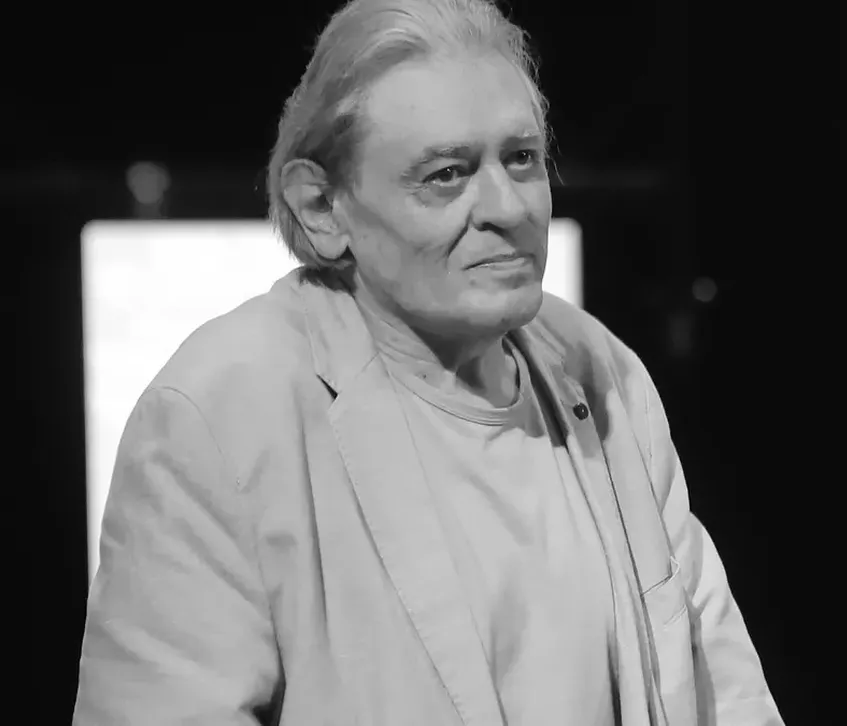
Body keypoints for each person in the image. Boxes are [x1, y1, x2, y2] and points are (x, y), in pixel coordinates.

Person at [71, 0, 782, 723]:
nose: (508, 207)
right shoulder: (219, 416)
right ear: (321, 207)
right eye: (446, 174)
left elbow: (725, 694)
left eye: (522, 159)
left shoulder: (601, 371)